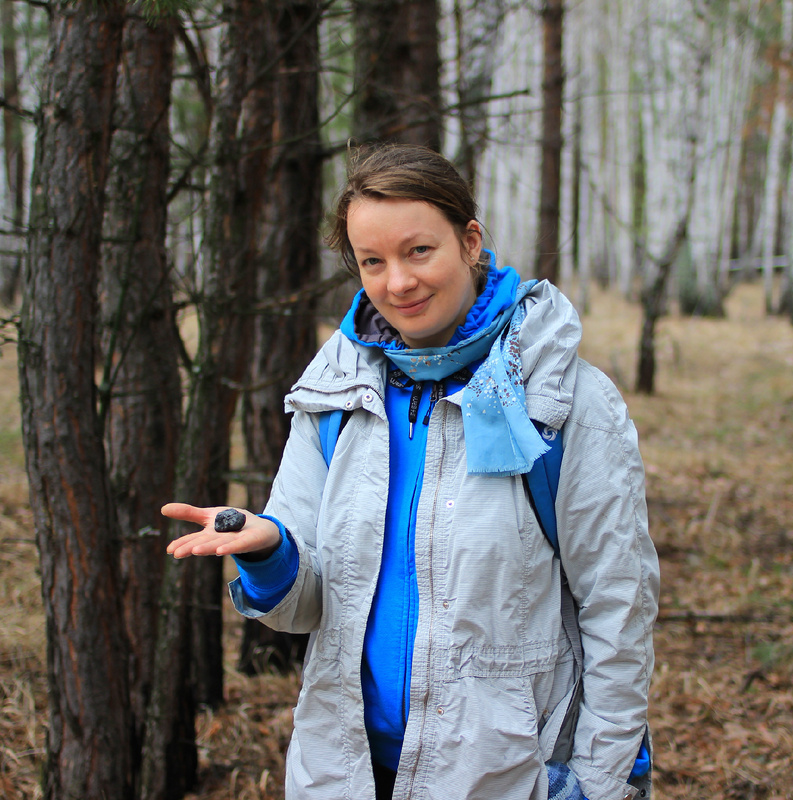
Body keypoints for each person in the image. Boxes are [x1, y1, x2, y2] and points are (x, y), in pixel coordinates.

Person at [163, 144, 659, 800]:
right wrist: (272, 551)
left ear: (469, 241)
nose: (397, 282)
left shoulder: (562, 399)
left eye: (418, 251)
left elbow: (618, 604)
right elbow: (305, 607)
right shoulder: (335, 394)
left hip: (506, 777)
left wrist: (596, 784)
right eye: (373, 261)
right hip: (347, 773)